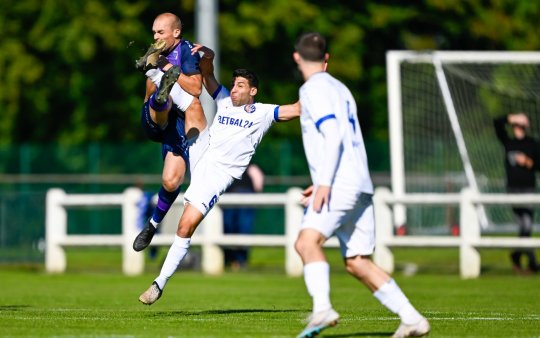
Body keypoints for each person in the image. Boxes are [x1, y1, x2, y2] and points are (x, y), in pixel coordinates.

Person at [136, 44, 300, 305]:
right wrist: (208, 56)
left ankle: (158, 284)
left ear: (253, 91)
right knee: (193, 102)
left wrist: (315, 79)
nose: (234, 89)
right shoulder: (224, 100)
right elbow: (207, 76)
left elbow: (296, 109)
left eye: (241, 86)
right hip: (203, 151)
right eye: (234, 84)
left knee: (185, 226)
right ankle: (157, 74)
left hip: (218, 176)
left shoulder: (264, 112)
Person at [292, 32, 430, 338]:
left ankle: (322, 309)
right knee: (356, 262)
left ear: (296, 57)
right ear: (326, 59)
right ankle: (413, 319)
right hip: (360, 185)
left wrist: (325, 182)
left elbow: (333, 134)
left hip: (340, 183)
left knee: (306, 243)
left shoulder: (312, 89)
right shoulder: (341, 89)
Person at [132, 13, 209, 253]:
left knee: (171, 180)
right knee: (160, 100)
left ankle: (152, 226)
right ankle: (161, 94)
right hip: (155, 118)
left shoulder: (185, 50)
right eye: (154, 32)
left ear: (176, 33)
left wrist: (164, 66)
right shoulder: (157, 51)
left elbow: (197, 88)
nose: (155, 36)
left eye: (160, 32)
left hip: (178, 124)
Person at [494, 112, 540, 274]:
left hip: (528, 189)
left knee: (525, 225)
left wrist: (527, 162)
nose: (517, 129)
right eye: (515, 126)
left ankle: (519, 257)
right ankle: (530, 262)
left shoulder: (532, 144)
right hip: (513, 190)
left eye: (520, 126)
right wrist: (512, 117)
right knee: (524, 225)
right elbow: (497, 122)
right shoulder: (509, 143)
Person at [223, 163, 265, 270]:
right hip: (242, 197)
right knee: (238, 228)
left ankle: (235, 260)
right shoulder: (251, 167)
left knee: (234, 228)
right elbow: (258, 185)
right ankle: (238, 260)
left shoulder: (231, 165)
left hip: (233, 197)